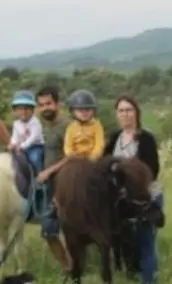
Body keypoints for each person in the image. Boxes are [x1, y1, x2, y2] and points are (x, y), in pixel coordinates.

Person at [106, 96, 164, 284]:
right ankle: (130, 276)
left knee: (146, 240)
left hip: (145, 196)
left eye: (129, 110)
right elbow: (104, 164)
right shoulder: (114, 138)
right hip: (121, 199)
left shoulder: (145, 139)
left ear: (136, 112)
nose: (125, 114)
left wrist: (131, 179)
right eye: (121, 110)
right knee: (124, 240)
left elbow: (153, 170)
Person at [34, 86, 72, 272]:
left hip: (66, 183)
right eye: (41, 105)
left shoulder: (67, 126)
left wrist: (49, 171)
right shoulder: (43, 124)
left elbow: (72, 155)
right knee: (48, 231)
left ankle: (75, 269)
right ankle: (67, 267)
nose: (45, 108)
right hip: (49, 184)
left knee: (68, 228)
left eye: (48, 103)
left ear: (57, 104)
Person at [63, 89, 105, 162]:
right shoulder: (71, 127)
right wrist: (71, 155)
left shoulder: (96, 125)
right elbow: (68, 146)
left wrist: (94, 156)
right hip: (75, 159)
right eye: (80, 110)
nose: (84, 113)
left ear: (93, 110)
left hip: (93, 159)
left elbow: (99, 144)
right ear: (73, 111)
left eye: (87, 109)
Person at [8, 90, 45, 172]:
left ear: (32, 110)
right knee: (12, 161)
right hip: (21, 147)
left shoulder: (35, 122)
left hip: (35, 146)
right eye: (20, 109)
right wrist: (13, 144)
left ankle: (40, 176)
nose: (23, 112)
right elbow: (15, 136)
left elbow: (33, 138)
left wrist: (22, 146)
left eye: (26, 109)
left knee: (35, 158)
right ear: (15, 110)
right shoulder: (16, 123)